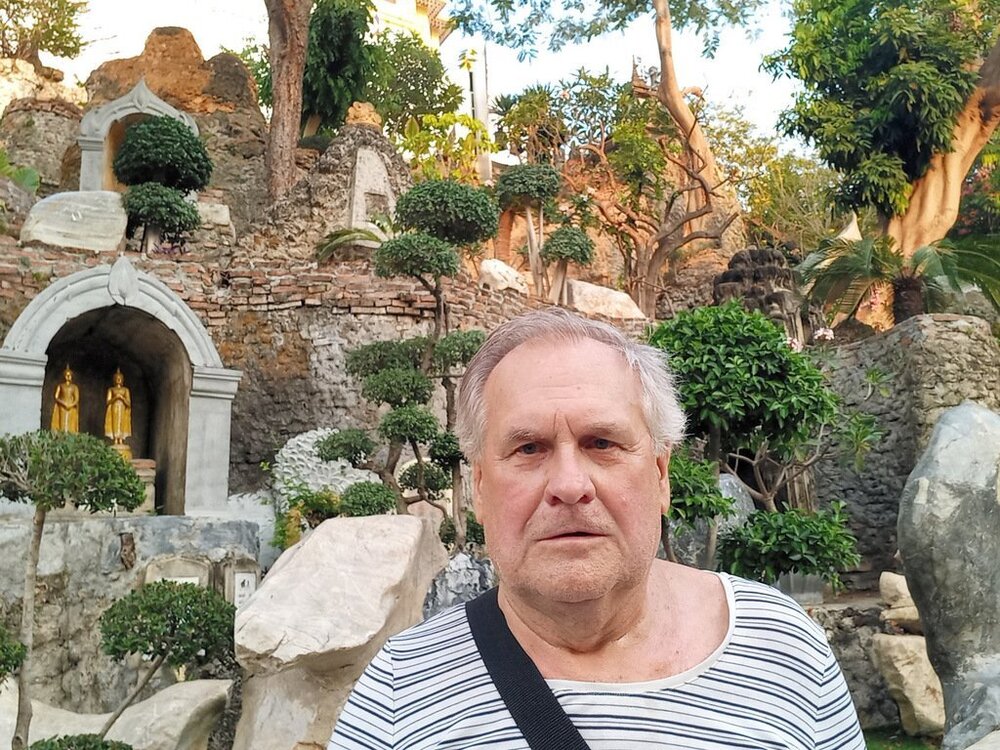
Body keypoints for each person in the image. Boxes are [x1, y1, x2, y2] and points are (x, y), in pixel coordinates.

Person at [328, 308, 865, 749]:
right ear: (482, 488)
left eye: (602, 443)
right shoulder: (400, 690)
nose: (569, 485)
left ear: (660, 474)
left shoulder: (781, 645)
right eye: (529, 448)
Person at [104, 368, 132, 459]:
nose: (118, 380)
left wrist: (122, 398)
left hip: (122, 407)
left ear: (122, 379)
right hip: (114, 408)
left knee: (122, 423)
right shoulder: (111, 389)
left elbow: (129, 403)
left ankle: (121, 439)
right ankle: (115, 439)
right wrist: (115, 398)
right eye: (117, 378)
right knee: (115, 423)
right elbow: (108, 402)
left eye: (120, 378)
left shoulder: (125, 390)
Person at [51, 365, 80, 433]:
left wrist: (71, 405)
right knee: (62, 422)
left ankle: (71, 435)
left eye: (69, 375)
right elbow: (56, 397)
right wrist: (63, 403)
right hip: (62, 406)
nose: (68, 376)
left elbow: (76, 399)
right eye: (66, 375)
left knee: (71, 423)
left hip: (71, 407)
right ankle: (61, 435)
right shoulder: (60, 386)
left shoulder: (74, 387)